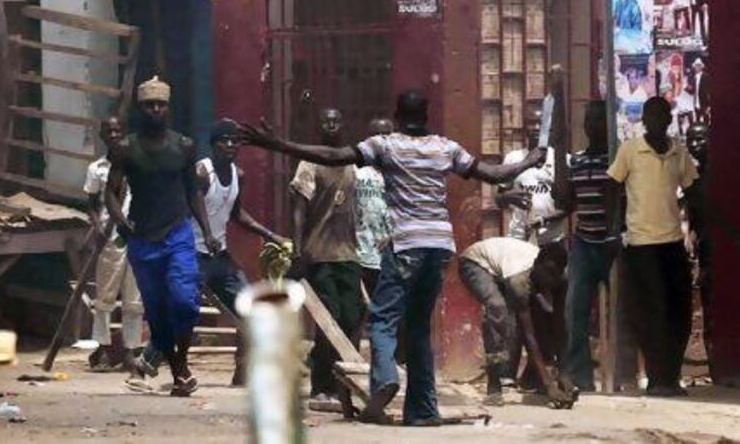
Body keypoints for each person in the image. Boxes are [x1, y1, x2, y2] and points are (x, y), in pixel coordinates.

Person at [240, 89, 545, 426]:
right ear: (426, 117)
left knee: (383, 320)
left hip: (406, 244)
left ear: (397, 117)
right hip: (441, 247)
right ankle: (422, 411)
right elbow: (494, 174)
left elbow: (333, 155)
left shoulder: (386, 144)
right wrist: (530, 160)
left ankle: (384, 377)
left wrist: (279, 145)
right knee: (418, 327)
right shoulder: (445, 147)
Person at [129, 119, 286, 388]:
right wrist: (205, 234)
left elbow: (237, 214)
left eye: (234, 141)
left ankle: (242, 371)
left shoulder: (239, 174)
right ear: (213, 145)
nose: (230, 145)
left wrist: (270, 235)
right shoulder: (203, 172)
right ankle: (145, 366)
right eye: (224, 141)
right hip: (192, 251)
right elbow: (190, 201)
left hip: (219, 254)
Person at [106, 76, 213, 397]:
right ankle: (180, 372)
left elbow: (193, 192)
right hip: (142, 237)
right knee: (156, 310)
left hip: (177, 233)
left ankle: (179, 364)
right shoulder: (125, 148)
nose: (155, 109)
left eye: (160, 105)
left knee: (184, 301)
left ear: (168, 108)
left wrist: (206, 231)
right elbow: (110, 193)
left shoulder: (184, 146)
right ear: (141, 109)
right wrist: (121, 222)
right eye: (149, 105)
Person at [607, 97, 698, 397]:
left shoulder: (677, 152)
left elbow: (693, 190)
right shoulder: (630, 150)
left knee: (679, 310)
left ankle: (671, 376)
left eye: (663, 115)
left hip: (672, 243)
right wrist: (615, 230)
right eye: (652, 115)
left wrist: (699, 229)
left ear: (669, 119)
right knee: (652, 312)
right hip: (642, 244)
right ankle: (658, 379)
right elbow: (613, 188)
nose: (658, 120)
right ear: (645, 119)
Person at [289, 108, 362, 407]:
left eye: (336, 120)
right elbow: (299, 209)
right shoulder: (309, 163)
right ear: (319, 126)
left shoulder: (350, 162)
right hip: (319, 253)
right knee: (328, 319)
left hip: (348, 253)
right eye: (325, 121)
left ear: (343, 124)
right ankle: (322, 385)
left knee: (351, 318)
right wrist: (297, 249)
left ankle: (345, 385)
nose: (331, 125)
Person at [458, 237, 572, 407]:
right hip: (475, 262)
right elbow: (529, 335)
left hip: (505, 269)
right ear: (537, 265)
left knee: (541, 315)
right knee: (498, 309)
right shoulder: (519, 282)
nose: (550, 280)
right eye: (547, 273)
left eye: (554, 275)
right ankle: (494, 386)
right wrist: (550, 385)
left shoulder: (561, 279)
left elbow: (559, 325)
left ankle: (533, 379)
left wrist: (564, 374)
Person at [554, 101, 620, 391]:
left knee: (620, 312)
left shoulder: (617, 159)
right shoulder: (576, 161)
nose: (593, 125)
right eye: (589, 120)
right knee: (575, 310)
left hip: (613, 243)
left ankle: (620, 375)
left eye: (598, 120)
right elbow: (568, 204)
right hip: (584, 242)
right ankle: (582, 377)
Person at [84, 117, 143, 371]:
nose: (114, 134)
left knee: (135, 297)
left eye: (119, 129)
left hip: (138, 235)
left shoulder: (137, 164)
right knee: (105, 294)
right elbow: (91, 201)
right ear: (102, 135)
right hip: (111, 236)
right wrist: (97, 226)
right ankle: (103, 347)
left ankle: (130, 349)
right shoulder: (97, 168)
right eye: (109, 131)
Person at [496, 109, 566, 247]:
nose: (536, 128)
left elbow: (568, 205)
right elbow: (499, 200)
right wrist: (507, 197)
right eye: (532, 123)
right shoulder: (513, 159)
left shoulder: (559, 159)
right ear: (524, 128)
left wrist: (544, 221)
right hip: (518, 238)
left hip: (551, 240)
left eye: (540, 124)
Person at [684, 122, 713, 378]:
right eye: (691, 140)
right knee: (709, 304)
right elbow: (693, 214)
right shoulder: (693, 176)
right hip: (705, 250)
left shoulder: (719, 174)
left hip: (721, 247)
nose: (695, 145)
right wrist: (691, 236)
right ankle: (716, 368)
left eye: (700, 139)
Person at [355, 118, 394, 299]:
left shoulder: (403, 175)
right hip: (361, 256)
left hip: (394, 258)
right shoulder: (356, 172)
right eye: (376, 135)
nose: (380, 140)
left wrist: (394, 235)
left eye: (385, 135)